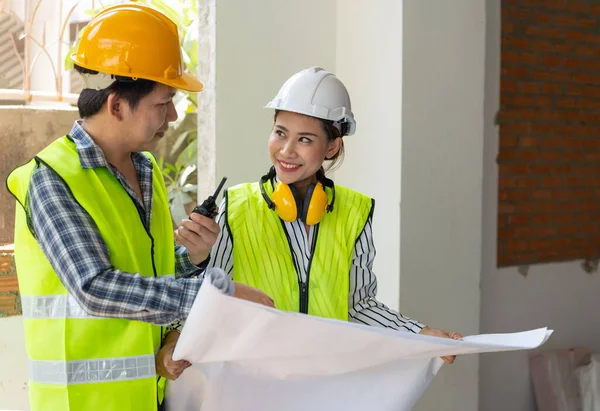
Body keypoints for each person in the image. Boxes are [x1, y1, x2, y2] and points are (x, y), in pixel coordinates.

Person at [5, 4, 271, 411]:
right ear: (116, 105)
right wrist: (217, 293)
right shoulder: (52, 180)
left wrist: (192, 261)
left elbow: (150, 275)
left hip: (152, 397)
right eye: (163, 102)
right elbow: (95, 288)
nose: (175, 115)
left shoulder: (145, 170)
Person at [165, 66, 462, 364]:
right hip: (252, 384)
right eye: (280, 133)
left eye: (305, 139)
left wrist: (419, 333)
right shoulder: (236, 207)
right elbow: (206, 296)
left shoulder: (354, 212)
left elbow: (357, 306)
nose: (286, 150)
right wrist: (175, 340)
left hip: (322, 381)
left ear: (332, 146)